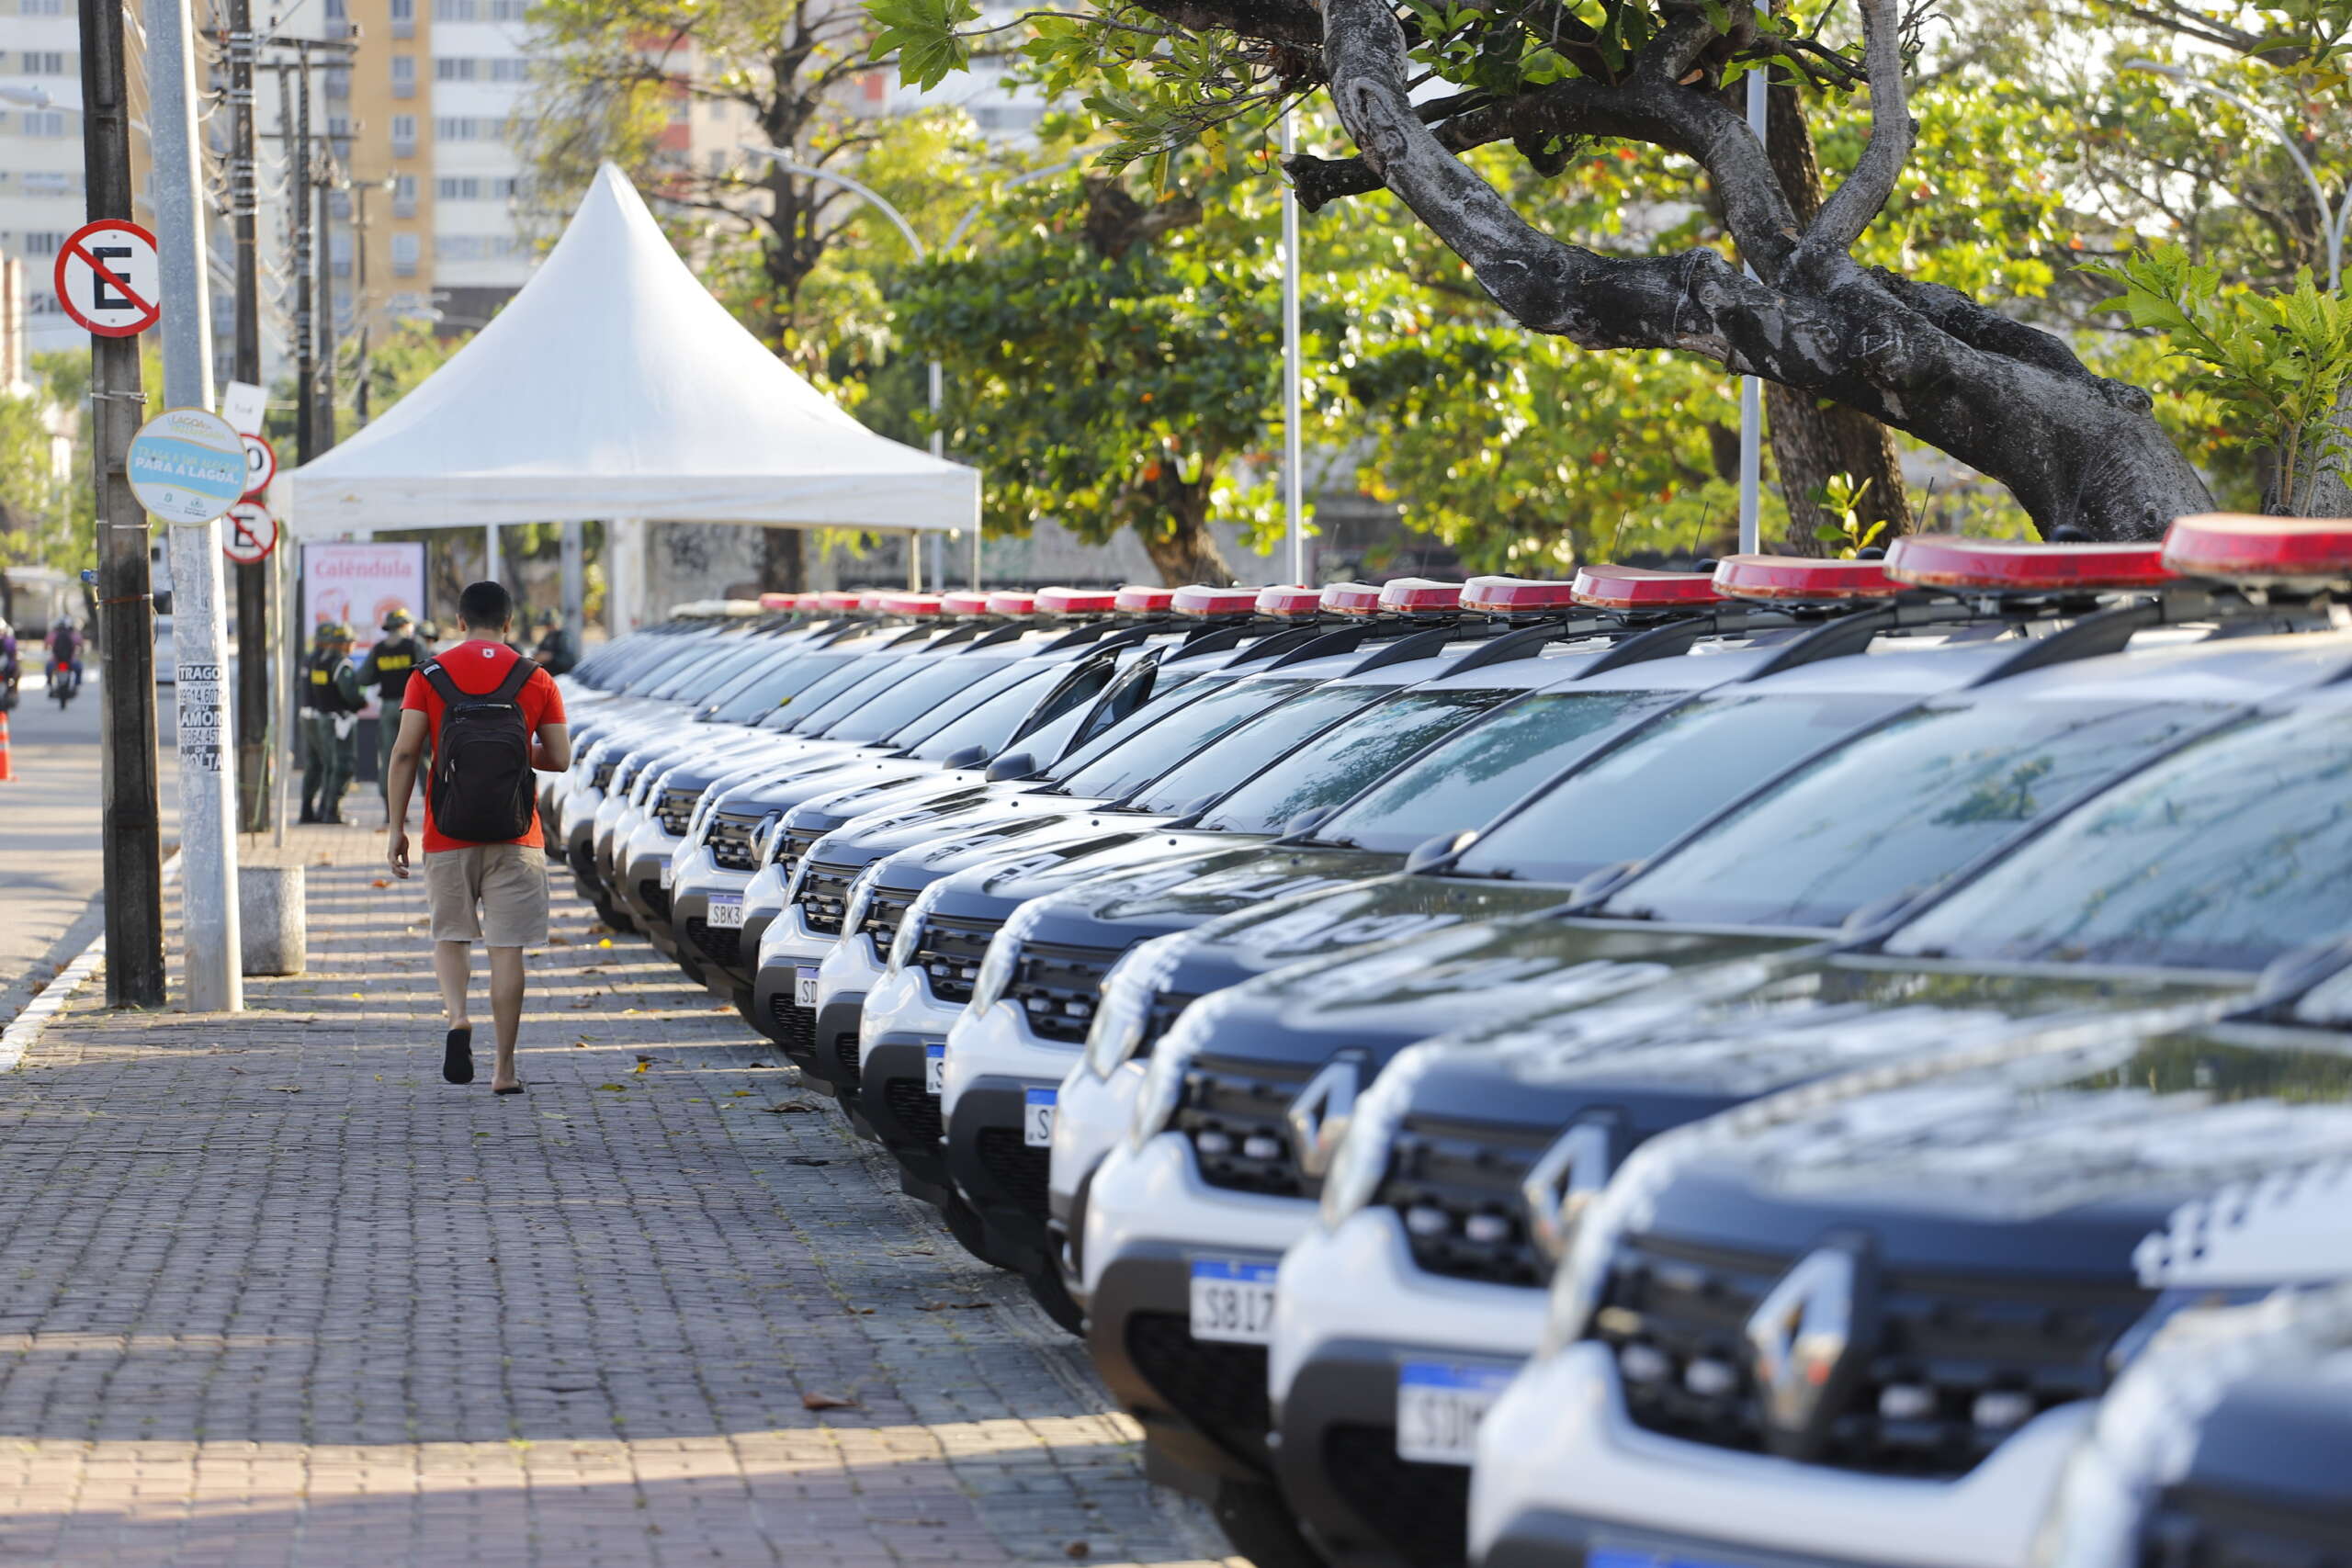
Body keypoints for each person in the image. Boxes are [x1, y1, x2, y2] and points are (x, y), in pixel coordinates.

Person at [385, 580, 571, 1096]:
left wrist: (397, 826)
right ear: (509, 623)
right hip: (518, 833)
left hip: (446, 831)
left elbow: (404, 754)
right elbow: (559, 757)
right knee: (506, 949)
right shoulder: (536, 678)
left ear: (460, 622)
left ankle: (458, 1017)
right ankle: (504, 1070)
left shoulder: (429, 674)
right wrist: (514, 753)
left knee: (451, 935)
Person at [359, 607, 428, 807]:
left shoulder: (378, 649)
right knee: (424, 756)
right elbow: (428, 673)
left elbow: (363, 678)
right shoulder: (415, 645)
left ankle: (392, 811)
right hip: (414, 708)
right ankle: (430, 806)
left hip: (388, 708)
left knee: (390, 758)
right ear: (404, 625)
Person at [300, 624, 365, 824]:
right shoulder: (339, 663)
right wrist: (361, 702)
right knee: (341, 764)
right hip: (336, 720)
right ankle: (330, 811)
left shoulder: (314, 660)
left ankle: (311, 811)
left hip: (315, 717)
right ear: (343, 644)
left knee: (318, 765)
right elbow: (350, 694)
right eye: (352, 642)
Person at [530, 611, 578, 676]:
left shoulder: (564, 637)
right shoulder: (548, 637)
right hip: (548, 676)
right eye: (547, 625)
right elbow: (539, 651)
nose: (548, 628)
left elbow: (569, 661)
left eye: (550, 625)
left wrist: (551, 657)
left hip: (562, 676)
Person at [45, 616, 81, 697]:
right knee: (79, 668)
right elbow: (81, 644)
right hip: (70, 660)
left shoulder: (53, 634)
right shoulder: (74, 634)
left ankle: (50, 685)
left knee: (48, 668)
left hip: (56, 660)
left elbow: (46, 646)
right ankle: (76, 685)